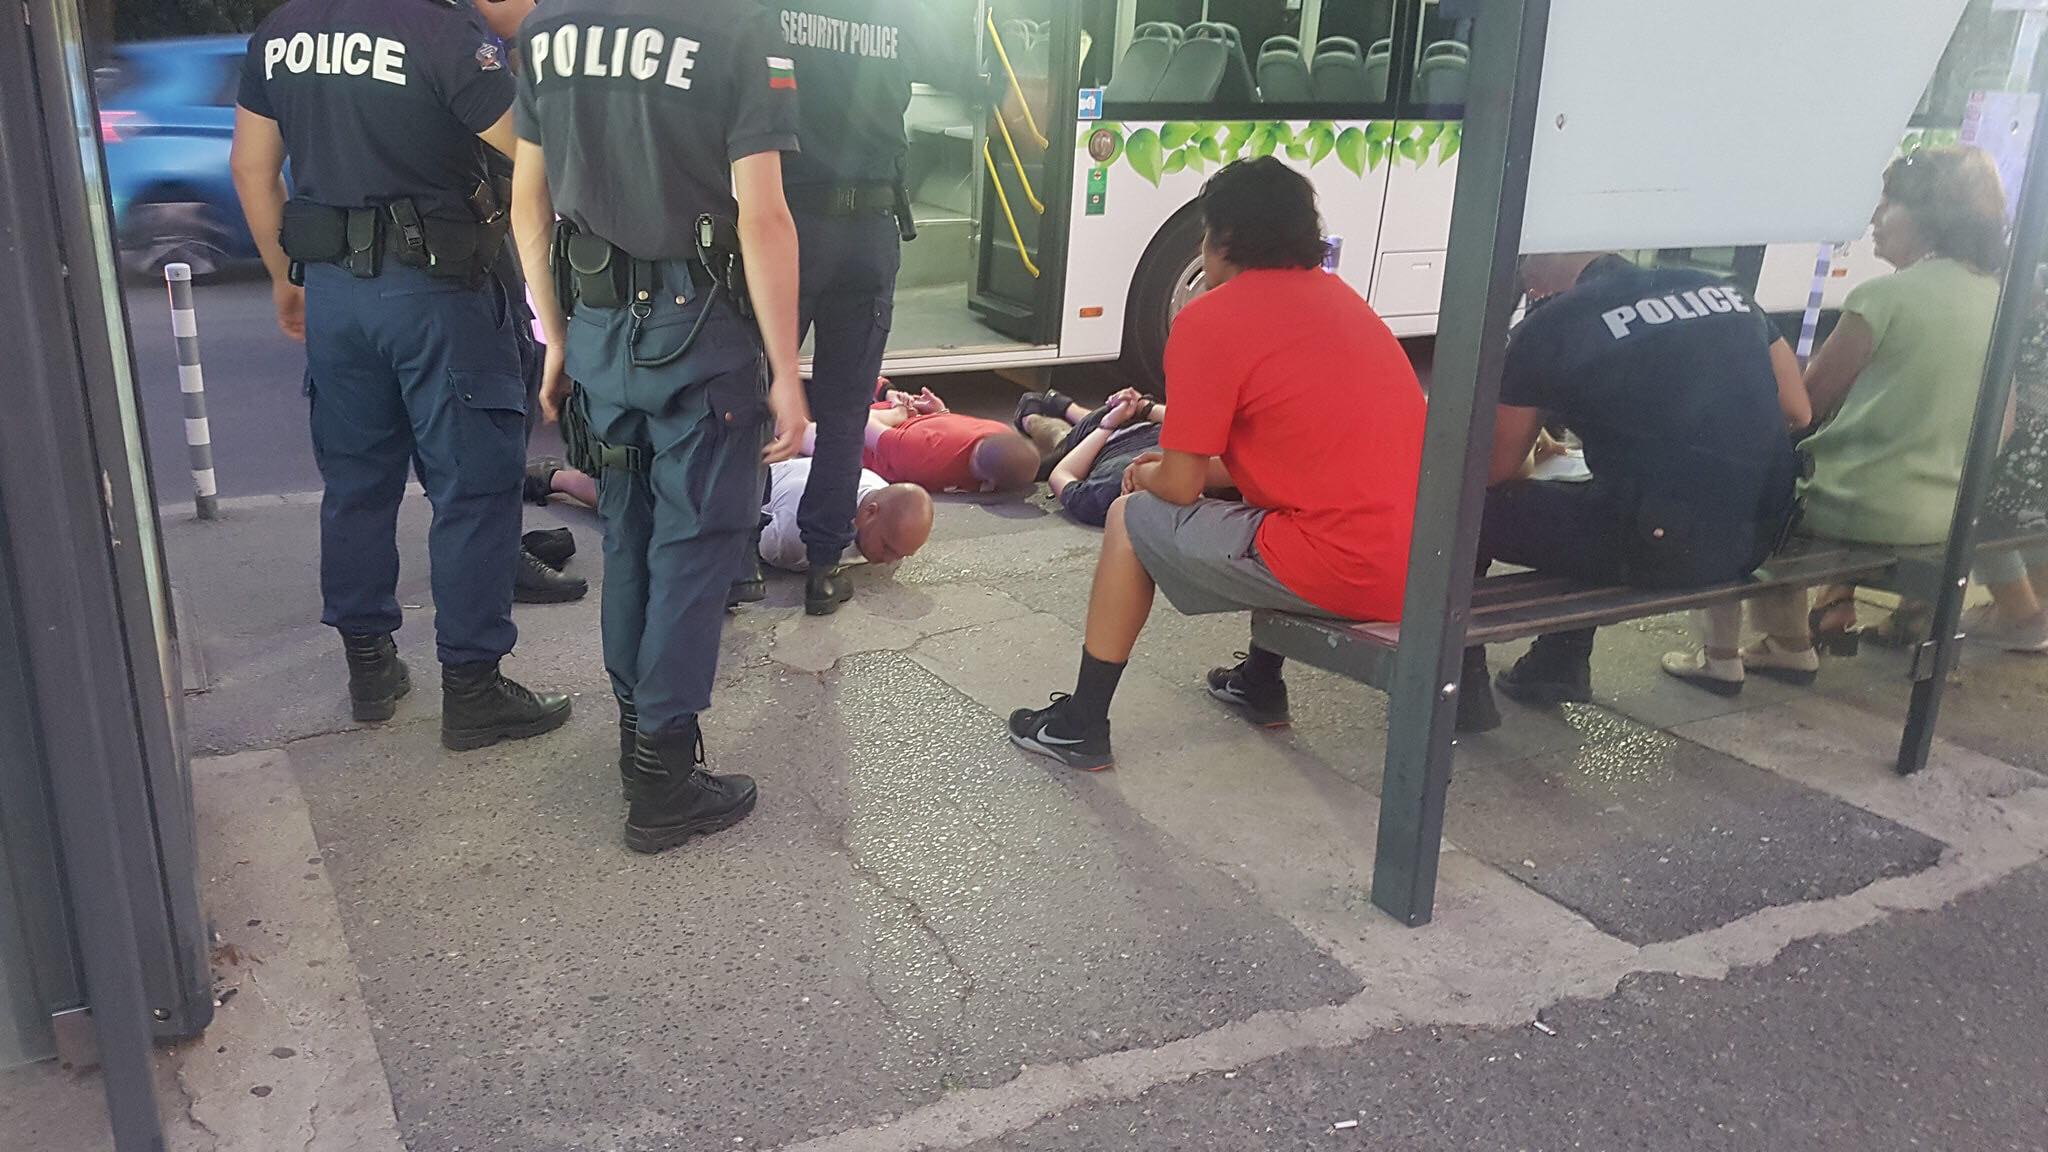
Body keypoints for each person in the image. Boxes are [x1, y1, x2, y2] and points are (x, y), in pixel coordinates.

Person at [1007, 157, 1426, 770]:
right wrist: (1180, 470)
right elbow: (1292, 459)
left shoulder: (1210, 319)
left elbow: (1177, 486)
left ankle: (1081, 724)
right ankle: (1259, 680)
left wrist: (1145, 475)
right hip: (1420, 565)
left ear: (1222, 239)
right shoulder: (1346, 304)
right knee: (1268, 509)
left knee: (1129, 519)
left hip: (1348, 568)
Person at [229, 0, 572, 749]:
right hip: (437, 295)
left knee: (356, 484)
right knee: (472, 490)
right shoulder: (438, 32)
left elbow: (252, 170)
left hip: (335, 295)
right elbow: (537, 147)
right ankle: (474, 690)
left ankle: (370, 669)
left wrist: (285, 280)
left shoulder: (282, 33)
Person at [510, 0, 810, 853]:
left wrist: (556, 336)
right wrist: (787, 373)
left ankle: (635, 741)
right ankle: (664, 779)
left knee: (630, 538)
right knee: (694, 546)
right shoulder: (736, 25)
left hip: (599, 326)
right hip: (699, 331)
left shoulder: (548, 28)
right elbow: (764, 215)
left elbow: (528, 204)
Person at [1663, 147, 2007, 686]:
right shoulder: (1994, 297)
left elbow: (1802, 409)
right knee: (1777, 494)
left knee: (1728, 488)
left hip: (1860, 505)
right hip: (1946, 510)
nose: (1874, 217)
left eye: (1888, 203)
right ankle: (1786, 644)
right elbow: (2003, 426)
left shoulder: (1883, 297)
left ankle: (1721, 656)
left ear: (1927, 215)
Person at [1453, 250, 1806, 722]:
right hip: (1757, 539)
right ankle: (1556, 662)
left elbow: (1493, 471)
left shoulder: (1552, 326)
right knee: (1600, 502)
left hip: (1661, 547)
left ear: (1540, 269)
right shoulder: (1726, 293)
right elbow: (1797, 410)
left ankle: (1460, 682)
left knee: (1461, 511)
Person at [770, 0, 964, 615]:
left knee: (754, 395)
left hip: (789, 223)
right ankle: (824, 568)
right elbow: (958, 69)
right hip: (869, 230)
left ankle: (734, 563)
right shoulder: (901, 10)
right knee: (845, 410)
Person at [472, 0, 588, 606]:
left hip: (480, 248)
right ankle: (497, 558)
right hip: (473, 253)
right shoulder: (459, 38)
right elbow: (528, 152)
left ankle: (500, 540)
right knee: (493, 413)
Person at [1963, 283, 2048, 653]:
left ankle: (2021, 616)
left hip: (2020, 455)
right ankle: (2034, 604)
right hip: (2037, 458)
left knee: (1973, 505)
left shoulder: (2015, 302)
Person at [757, 458, 933, 576]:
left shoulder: (885, 499)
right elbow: (750, 546)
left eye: (902, 555)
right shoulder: (800, 533)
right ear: (870, 512)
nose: (889, 561)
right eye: (887, 547)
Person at [1024, 387, 1166, 528]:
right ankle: (1063, 407)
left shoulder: (1104, 495)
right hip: (1142, 421)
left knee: (1060, 438)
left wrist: (1107, 426)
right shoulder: (1108, 493)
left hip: (1099, 439)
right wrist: (1143, 406)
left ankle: (1035, 416)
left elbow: (1059, 475)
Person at [860, 388, 1043, 496]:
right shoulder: (925, 454)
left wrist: (939, 414)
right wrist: (898, 412)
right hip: (864, 438)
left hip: (901, 425)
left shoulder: (1000, 431)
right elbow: (860, 423)